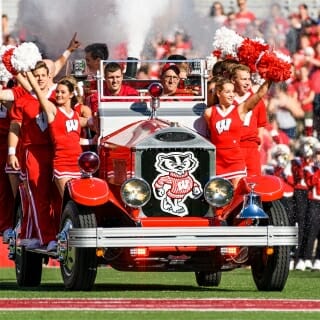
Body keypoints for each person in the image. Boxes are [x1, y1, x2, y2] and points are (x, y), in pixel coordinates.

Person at [5, 61, 58, 250]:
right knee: (37, 195)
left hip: (58, 151)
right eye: (36, 76)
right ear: (31, 78)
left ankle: (47, 233)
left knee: (57, 196)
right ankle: (46, 237)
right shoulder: (23, 100)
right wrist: (12, 152)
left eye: (43, 75)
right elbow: (14, 127)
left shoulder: (59, 95)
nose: (40, 79)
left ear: (49, 76)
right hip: (33, 151)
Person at [26, 71, 87, 199]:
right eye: (57, 92)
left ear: (71, 95)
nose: (58, 95)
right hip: (62, 162)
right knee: (69, 200)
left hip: (78, 163)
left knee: (80, 203)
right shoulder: (53, 111)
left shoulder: (76, 114)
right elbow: (38, 92)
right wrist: (26, 71)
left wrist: (92, 139)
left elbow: (75, 138)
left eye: (62, 92)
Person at [204, 77, 271, 187]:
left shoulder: (240, 110)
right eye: (227, 92)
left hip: (235, 161)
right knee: (220, 198)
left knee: (238, 196)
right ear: (218, 93)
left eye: (233, 91)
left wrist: (270, 78)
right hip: (218, 161)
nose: (232, 95)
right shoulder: (209, 112)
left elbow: (259, 94)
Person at [231, 64, 268, 176]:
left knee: (254, 183)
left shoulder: (257, 100)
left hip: (251, 148)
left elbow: (260, 127)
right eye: (243, 79)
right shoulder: (227, 100)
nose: (247, 82)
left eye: (248, 79)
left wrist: (257, 148)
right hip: (233, 148)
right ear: (233, 80)